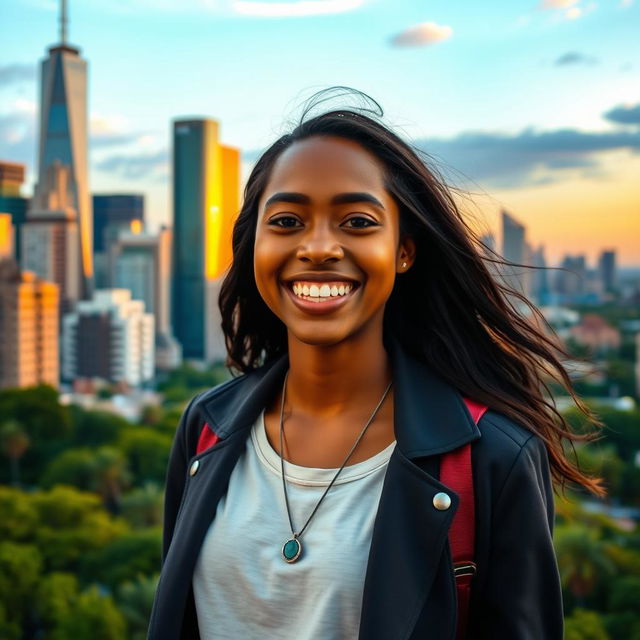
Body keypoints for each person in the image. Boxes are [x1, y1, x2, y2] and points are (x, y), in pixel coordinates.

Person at [148, 88, 604, 640]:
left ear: (404, 250)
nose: (318, 247)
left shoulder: (492, 458)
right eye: (287, 221)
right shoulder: (206, 429)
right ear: (253, 247)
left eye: (358, 222)